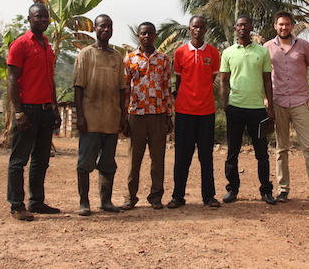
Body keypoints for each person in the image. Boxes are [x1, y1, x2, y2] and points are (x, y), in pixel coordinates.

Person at [264, 11, 309, 209]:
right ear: (275, 26)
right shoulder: (267, 47)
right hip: (279, 103)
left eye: (287, 24)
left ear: (292, 26)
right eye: (280, 24)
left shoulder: (303, 46)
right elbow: (262, 74)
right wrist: (265, 99)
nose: (284, 27)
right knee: (281, 148)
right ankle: (283, 190)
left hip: (301, 103)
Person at [6, 2, 62, 221]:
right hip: (27, 110)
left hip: (46, 110)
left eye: (46, 17)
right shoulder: (20, 44)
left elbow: (50, 80)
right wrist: (18, 112)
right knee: (19, 160)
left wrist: (55, 108)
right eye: (38, 17)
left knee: (41, 159)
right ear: (29, 19)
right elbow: (11, 80)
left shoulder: (47, 45)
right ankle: (16, 205)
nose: (43, 20)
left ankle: (36, 201)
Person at [73, 14, 126, 216]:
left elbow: (122, 89)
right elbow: (78, 87)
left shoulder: (117, 57)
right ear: (94, 29)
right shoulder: (85, 55)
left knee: (108, 163)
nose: (106, 30)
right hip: (91, 117)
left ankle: (106, 201)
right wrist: (80, 116)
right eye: (102, 26)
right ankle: (84, 202)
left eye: (109, 26)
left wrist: (122, 115)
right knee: (85, 162)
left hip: (111, 118)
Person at [220, 16, 276, 205]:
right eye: (239, 25)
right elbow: (223, 80)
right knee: (232, 152)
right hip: (235, 108)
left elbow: (268, 80)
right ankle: (232, 189)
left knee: (262, 153)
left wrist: (270, 107)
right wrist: (225, 104)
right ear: (235, 28)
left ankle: (266, 191)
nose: (243, 28)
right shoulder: (228, 52)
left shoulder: (262, 52)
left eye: (246, 25)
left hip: (258, 109)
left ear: (251, 28)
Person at [167, 15, 221, 209]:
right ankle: (177, 196)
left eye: (202, 27)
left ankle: (209, 196)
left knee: (206, 156)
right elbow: (179, 82)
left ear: (206, 30)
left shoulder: (213, 53)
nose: (198, 30)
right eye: (194, 26)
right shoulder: (180, 53)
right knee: (182, 155)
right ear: (189, 29)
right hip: (184, 111)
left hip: (206, 111)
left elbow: (211, 80)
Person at [121, 22, 173, 210]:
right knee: (134, 158)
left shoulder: (164, 59)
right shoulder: (129, 60)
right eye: (143, 33)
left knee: (158, 159)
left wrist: (169, 115)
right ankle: (130, 196)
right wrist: (124, 117)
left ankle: (156, 196)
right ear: (138, 35)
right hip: (136, 114)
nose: (147, 36)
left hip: (158, 114)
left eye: (150, 33)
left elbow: (167, 87)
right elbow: (125, 89)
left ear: (155, 35)